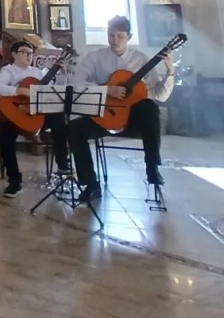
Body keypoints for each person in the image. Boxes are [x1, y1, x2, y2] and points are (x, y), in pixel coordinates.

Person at [67, 15, 176, 203]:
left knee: (149, 106)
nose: (114, 40)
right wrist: (107, 90)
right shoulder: (95, 57)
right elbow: (76, 83)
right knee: (75, 128)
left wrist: (170, 70)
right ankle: (90, 184)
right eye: (111, 35)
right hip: (105, 116)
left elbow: (161, 95)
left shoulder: (140, 59)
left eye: (120, 36)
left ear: (129, 37)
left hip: (132, 121)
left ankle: (152, 167)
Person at [0, 40, 70, 198]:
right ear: (14, 54)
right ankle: (14, 181)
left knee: (58, 117)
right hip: (14, 117)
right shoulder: (8, 70)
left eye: (31, 53)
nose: (29, 56)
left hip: (35, 116)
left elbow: (53, 90)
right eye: (25, 52)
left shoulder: (36, 72)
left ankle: (63, 163)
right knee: (4, 137)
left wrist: (62, 74)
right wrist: (20, 91)